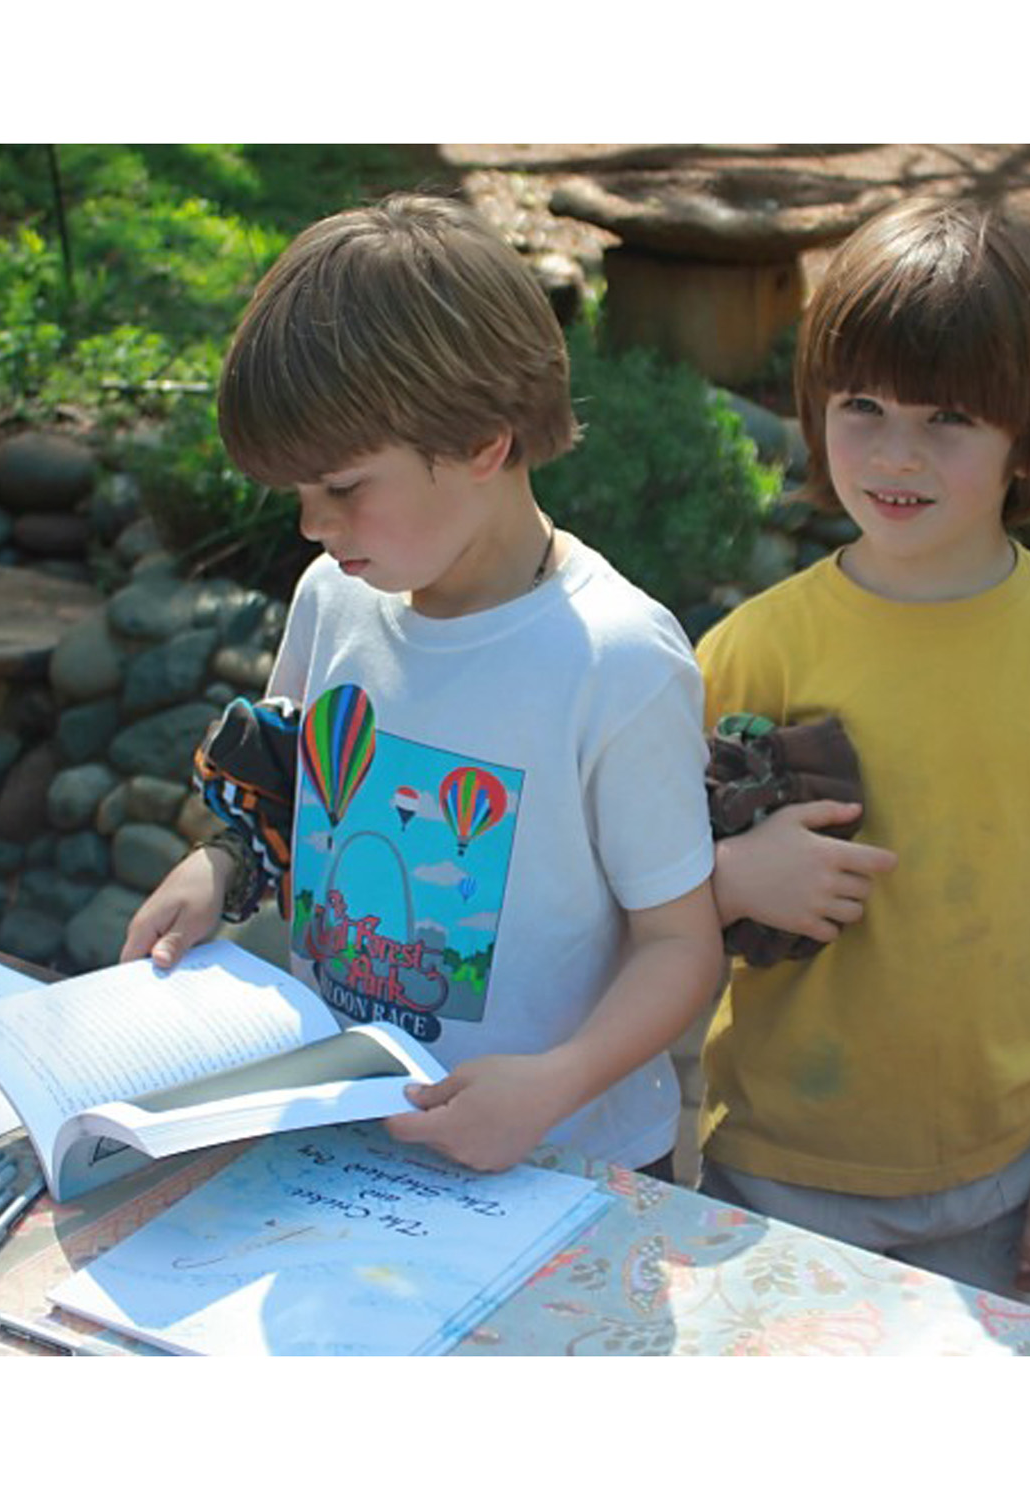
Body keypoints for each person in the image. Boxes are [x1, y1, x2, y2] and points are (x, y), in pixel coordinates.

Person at [121, 193, 725, 1179]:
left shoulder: (618, 665)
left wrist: (554, 1083)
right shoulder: (335, 597)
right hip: (352, 1131)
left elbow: (679, 948)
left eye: (345, 488)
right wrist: (226, 867)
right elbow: (301, 802)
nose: (313, 526)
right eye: (298, 496)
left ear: (486, 442)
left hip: (563, 1159)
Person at [697, 197, 1030, 1296]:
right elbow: (638, 897)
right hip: (770, 1170)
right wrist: (727, 873)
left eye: (950, 417)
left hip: (1001, 1180)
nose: (896, 452)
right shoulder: (751, 650)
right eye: (861, 404)